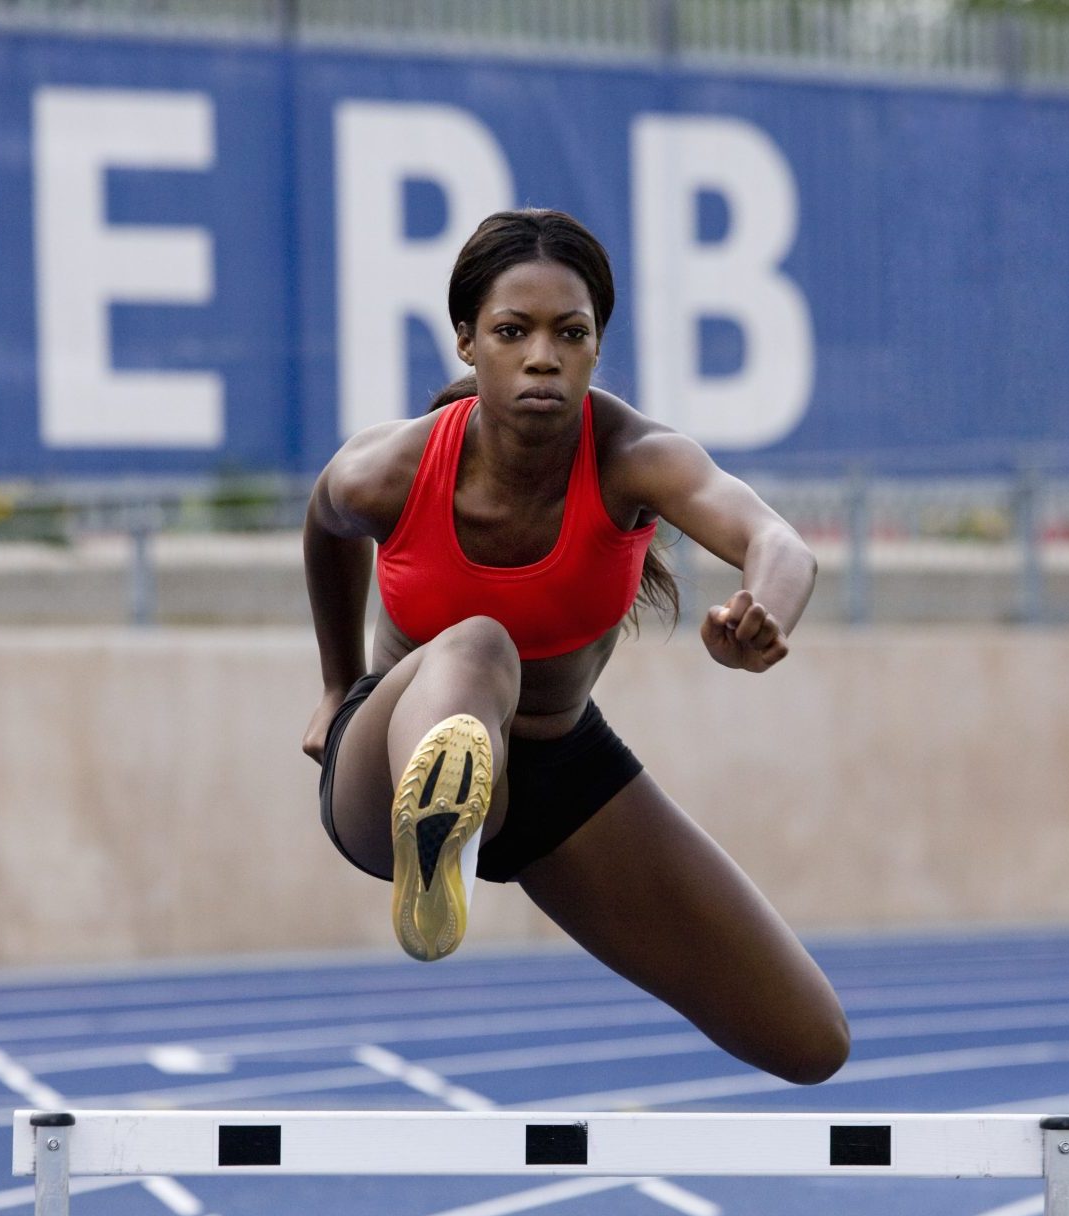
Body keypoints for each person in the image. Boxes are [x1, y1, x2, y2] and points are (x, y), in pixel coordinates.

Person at [303, 209, 849, 1085]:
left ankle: (470, 810)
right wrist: (336, 686)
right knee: (480, 645)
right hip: (392, 752)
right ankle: (439, 828)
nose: (543, 356)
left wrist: (765, 613)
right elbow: (325, 523)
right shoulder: (391, 470)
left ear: (598, 348)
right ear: (466, 344)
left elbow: (777, 540)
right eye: (512, 332)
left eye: (570, 332)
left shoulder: (636, 457)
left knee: (810, 1040)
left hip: (559, 774)